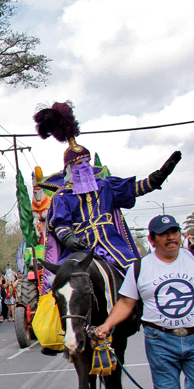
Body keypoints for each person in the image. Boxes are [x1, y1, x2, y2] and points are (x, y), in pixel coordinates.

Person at [94, 215, 194, 389]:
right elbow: (126, 303)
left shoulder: (193, 260)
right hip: (161, 340)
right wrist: (106, 325)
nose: (171, 237)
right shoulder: (140, 268)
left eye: (175, 232)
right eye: (164, 233)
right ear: (152, 239)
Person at [34, 101, 181, 270]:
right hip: (80, 248)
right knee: (62, 284)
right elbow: (60, 224)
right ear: (69, 169)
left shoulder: (105, 186)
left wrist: (160, 176)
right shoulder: (62, 197)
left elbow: (136, 189)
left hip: (113, 247)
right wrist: (68, 238)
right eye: (79, 163)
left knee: (138, 274)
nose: (85, 166)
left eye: (87, 162)